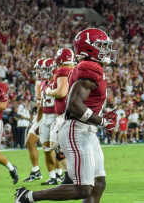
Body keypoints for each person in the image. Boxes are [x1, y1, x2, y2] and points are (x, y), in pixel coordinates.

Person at [15, 28, 117, 203]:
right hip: (76, 130)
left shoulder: (93, 67)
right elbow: (74, 105)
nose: (105, 50)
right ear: (89, 48)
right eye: (101, 46)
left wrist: (99, 116)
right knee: (83, 188)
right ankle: (28, 197)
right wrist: (102, 120)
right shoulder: (89, 67)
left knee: (99, 182)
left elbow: (84, 102)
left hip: (86, 130)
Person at [46, 48, 75, 183]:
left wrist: (49, 91)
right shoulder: (74, 69)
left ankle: (71, 175)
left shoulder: (63, 70)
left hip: (64, 115)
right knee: (65, 146)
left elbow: (62, 92)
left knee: (57, 146)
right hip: (72, 113)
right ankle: (71, 174)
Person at [39, 58, 60, 185]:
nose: (44, 72)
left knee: (56, 148)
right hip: (45, 117)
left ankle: (60, 173)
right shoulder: (43, 83)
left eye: (46, 69)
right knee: (46, 149)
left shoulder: (59, 81)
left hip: (55, 116)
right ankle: (52, 176)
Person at [24, 58, 45, 182]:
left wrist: (38, 120)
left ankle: (59, 173)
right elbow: (39, 103)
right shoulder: (40, 82)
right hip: (41, 116)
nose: (38, 72)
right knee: (31, 142)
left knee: (50, 146)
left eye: (40, 69)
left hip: (47, 116)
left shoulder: (48, 81)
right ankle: (36, 170)